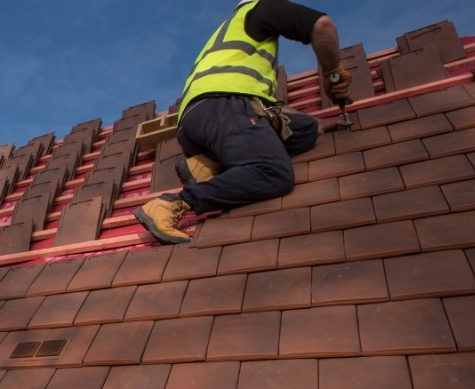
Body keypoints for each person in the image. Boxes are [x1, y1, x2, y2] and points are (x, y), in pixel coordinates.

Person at [134, 0, 351, 244]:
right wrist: (332, 75)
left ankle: (207, 163)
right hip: (225, 108)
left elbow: (264, 107)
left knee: (304, 129)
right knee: (273, 172)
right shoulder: (260, 9)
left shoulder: (227, 35)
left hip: (195, 122)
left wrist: (317, 124)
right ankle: (174, 204)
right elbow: (322, 26)